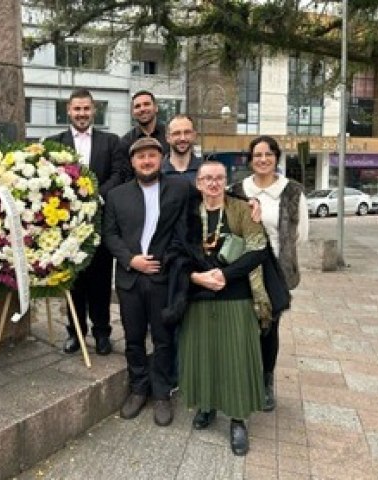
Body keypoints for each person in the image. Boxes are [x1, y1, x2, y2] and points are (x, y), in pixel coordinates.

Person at [176, 160, 271, 456]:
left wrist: (224, 275)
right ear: (198, 183)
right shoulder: (188, 213)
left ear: (226, 181)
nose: (213, 183)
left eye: (219, 178)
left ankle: (238, 419)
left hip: (236, 295)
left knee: (236, 357)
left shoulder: (242, 209)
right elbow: (175, 253)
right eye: (207, 178)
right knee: (203, 354)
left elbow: (258, 249)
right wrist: (195, 276)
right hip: (197, 295)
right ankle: (206, 406)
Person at [103, 137, 191, 427]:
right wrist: (131, 259)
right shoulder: (117, 195)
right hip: (130, 278)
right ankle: (138, 388)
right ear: (132, 162)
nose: (146, 161)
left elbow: (189, 225)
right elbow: (110, 235)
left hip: (164, 278)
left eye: (152, 156)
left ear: (161, 158)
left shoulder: (178, 189)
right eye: (140, 157)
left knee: (164, 339)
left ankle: (162, 393)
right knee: (133, 338)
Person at [229, 135, 309, 411]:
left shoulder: (292, 191)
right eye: (257, 155)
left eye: (268, 154)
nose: (263, 160)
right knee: (243, 325)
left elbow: (300, 236)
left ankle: (266, 381)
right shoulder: (238, 190)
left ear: (276, 157)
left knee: (269, 329)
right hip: (244, 267)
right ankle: (243, 377)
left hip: (275, 271)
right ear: (250, 160)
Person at [47, 88, 125, 355]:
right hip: (67, 229)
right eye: (76, 109)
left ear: (94, 111)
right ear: (68, 110)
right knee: (74, 282)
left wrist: (93, 196)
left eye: (86, 108)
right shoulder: (54, 143)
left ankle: (102, 333)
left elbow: (118, 174)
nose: (81, 113)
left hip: (101, 223)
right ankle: (75, 332)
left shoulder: (111, 142)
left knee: (101, 282)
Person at [161, 114, 202, 184]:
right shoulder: (158, 173)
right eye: (176, 133)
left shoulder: (204, 172)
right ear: (167, 138)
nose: (182, 138)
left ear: (194, 135)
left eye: (187, 132)